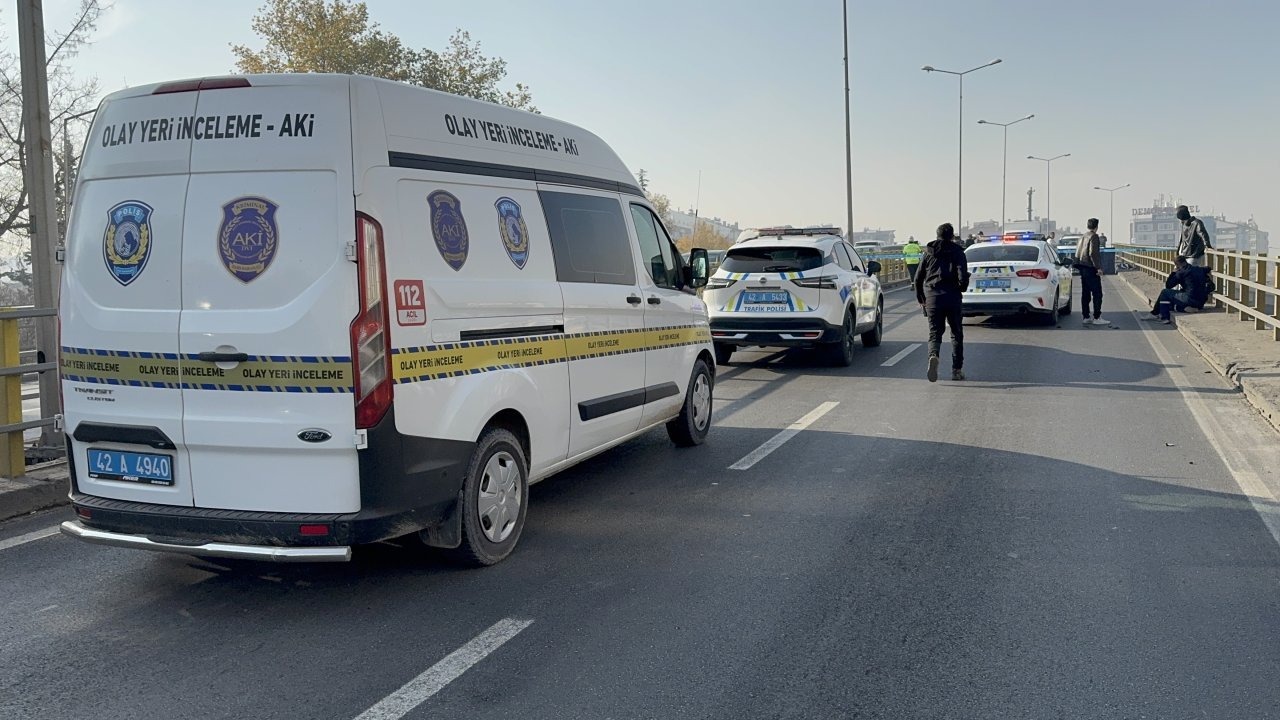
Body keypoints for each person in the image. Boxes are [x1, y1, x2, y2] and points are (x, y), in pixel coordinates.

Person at [914, 222, 970, 382]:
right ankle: (957, 370)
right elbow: (962, 277)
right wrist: (962, 287)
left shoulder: (928, 252)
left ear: (937, 235)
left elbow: (917, 278)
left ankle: (934, 355)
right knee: (956, 334)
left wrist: (922, 299)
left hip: (932, 298)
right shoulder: (958, 252)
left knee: (934, 333)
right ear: (952, 236)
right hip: (952, 298)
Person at [1141, 257, 1211, 324]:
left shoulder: (1181, 272)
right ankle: (1184, 308)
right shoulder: (1198, 269)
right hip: (1201, 301)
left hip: (1190, 299)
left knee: (1165, 292)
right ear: (1185, 261)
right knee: (1172, 303)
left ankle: (1163, 317)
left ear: (1177, 265)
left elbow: (1168, 285)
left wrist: (1173, 273)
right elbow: (1208, 268)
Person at [1074, 218, 1108, 326]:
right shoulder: (1094, 236)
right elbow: (1093, 253)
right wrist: (1098, 268)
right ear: (1096, 227)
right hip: (1090, 268)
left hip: (1083, 268)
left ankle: (1086, 317)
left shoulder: (1082, 237)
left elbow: (1077, 253)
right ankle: (1097, 317)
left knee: (1085, 293)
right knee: (1097, 293)